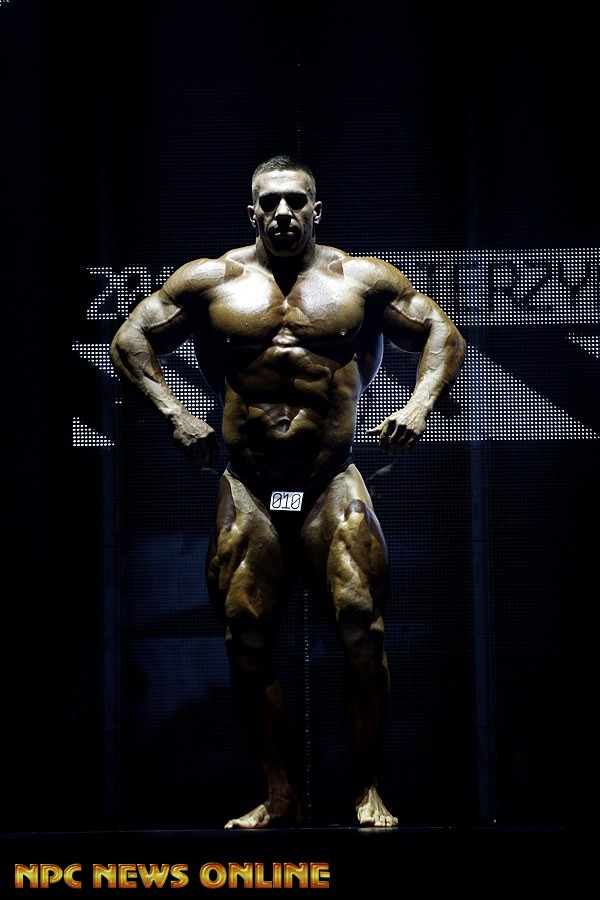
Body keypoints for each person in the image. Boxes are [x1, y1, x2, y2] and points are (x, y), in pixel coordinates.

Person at [109, 154, 466, 829]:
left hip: (329, 481)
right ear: (251, 212)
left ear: (315, 210)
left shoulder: (359, 279)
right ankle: (279, 793)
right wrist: (174, 414)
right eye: (269, 202)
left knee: (361, 625)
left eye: (295, 201)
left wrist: (420, 405)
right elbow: (129, 338)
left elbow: (442, 332)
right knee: (245, 636)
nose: (282, 213)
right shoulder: (212, 280)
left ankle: (366, 788)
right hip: (251, 486)